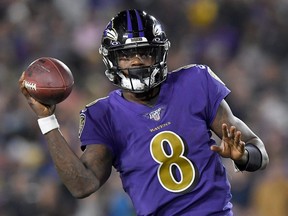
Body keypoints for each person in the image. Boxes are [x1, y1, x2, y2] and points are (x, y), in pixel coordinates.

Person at [19, 9, 269, 216]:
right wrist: (47, 119)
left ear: (159, 54)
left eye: (145, 52)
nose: (137, 61)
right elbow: (83, 184)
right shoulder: (104, 114)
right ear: (112, 60)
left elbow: (260, 152)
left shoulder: (196, 81)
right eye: (126, 55)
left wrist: (243, 156)